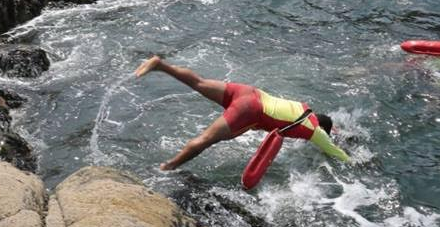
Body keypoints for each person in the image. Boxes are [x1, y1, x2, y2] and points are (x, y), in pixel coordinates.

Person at [134, 56, 349, 170]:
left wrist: (334, 130)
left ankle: (160, 64)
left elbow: (318, 121)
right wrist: (355, 161)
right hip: (250, 112)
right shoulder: (316, 133)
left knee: (198, 82)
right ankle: (169, 166)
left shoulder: (304, 108)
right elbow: (339, 155)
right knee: (206, 139)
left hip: (249, 92)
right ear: (322, 129)